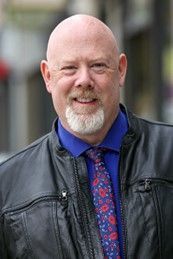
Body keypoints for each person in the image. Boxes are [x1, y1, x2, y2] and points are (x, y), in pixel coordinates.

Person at [0, 14, 173, 259]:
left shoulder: (169, 153)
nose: (84, 80)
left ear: (121, 70)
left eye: (98, 65)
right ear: (48, 76)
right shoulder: (7, 187)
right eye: (69, 68)